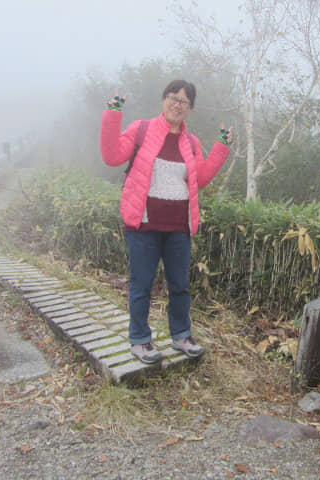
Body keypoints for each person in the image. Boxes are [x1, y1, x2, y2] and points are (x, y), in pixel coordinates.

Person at [100, 80, 233, 364]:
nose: (177, 104)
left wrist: (221, 148)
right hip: (144, 226)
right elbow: (111, 157)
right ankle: (139, 340)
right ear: (163, 100)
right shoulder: (141, 130)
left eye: (184, 101)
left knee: (180, 285)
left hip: (178, 228)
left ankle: (181, 335)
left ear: (190, 109)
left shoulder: (191, 142)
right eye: (173, 97)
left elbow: (201, 179)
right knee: (141, 284)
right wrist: (113, 115)